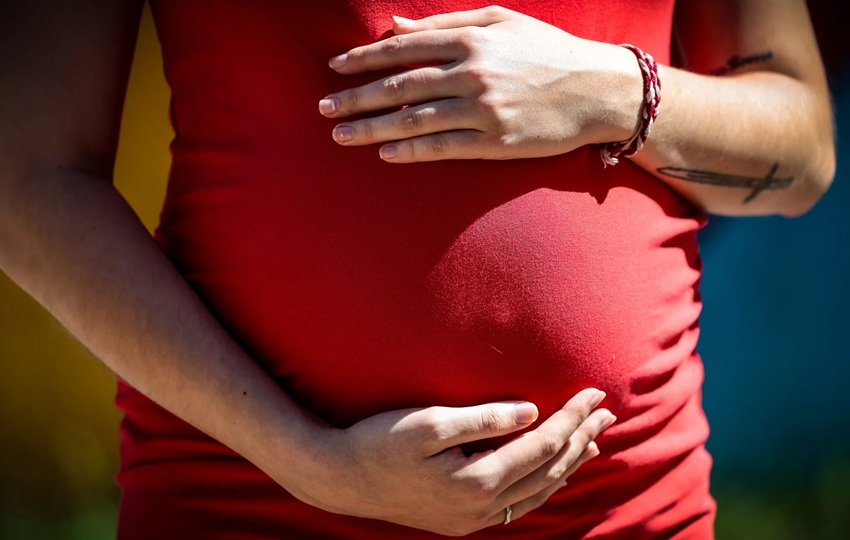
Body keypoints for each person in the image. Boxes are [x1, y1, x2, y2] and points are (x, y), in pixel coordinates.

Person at [0, 0, 833, 539]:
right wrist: (306, 459)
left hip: (622, 503)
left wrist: (611, 91)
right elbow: (25, 177)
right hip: (246, 497)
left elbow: (803, 150)